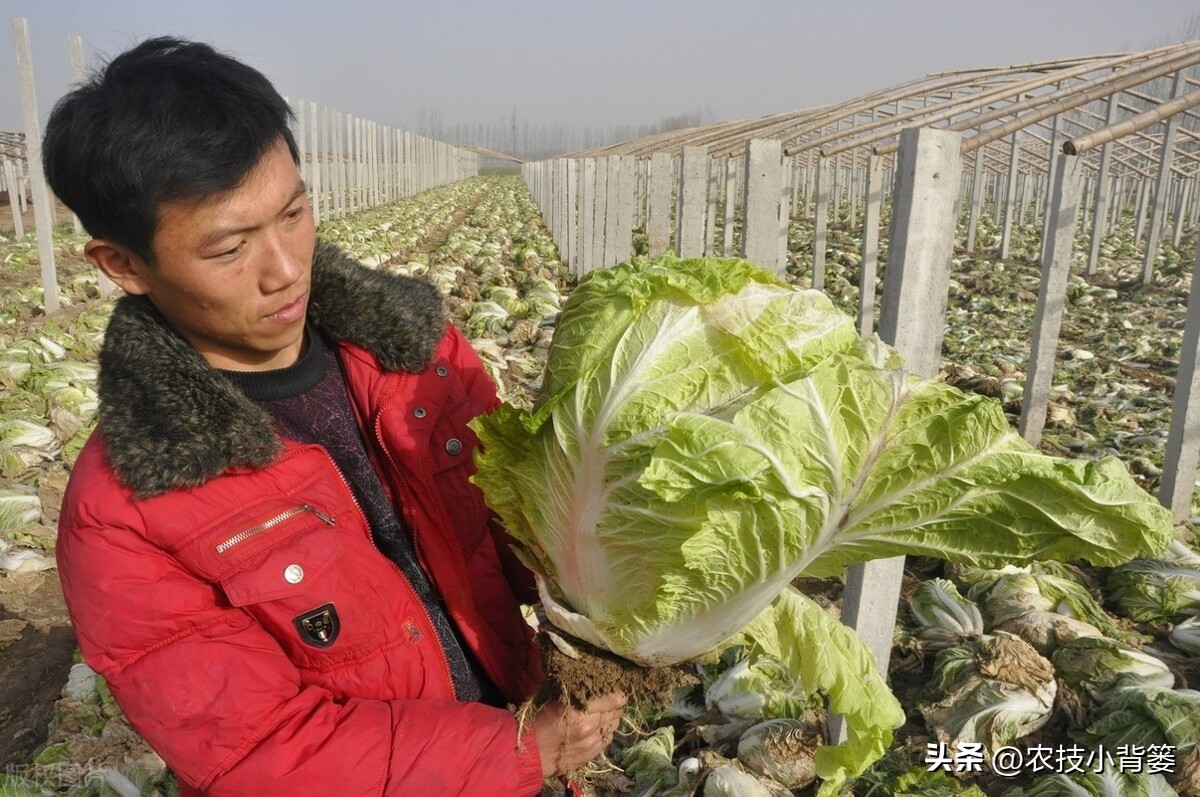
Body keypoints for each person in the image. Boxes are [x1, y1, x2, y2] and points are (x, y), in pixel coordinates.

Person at [44, 37, 625, 796]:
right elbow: (261, 753)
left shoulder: (419, 356)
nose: (285, 268)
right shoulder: (124, 515)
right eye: (229, 248)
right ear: (122, 264)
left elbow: (520, 526)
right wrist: (521, 751)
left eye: (293, 212)